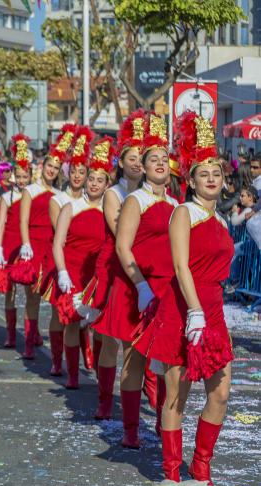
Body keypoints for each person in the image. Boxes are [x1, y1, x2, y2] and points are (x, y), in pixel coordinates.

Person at [140, 112, 233, 486]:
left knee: (221, 392)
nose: (211, 178)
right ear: (190, 181)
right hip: (183, 311)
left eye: (217, 172)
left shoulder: (224, 222)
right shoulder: (184, 213)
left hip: (214, 312)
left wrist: (208, 312)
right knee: (176, 394)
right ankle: (172, 470)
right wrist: (194, 312)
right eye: (203, 172)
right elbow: (180, 266)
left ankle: (202, 468)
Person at [94, 113, 178, 449]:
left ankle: (161, 421)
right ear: (141, 167)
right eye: (152, 159)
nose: (159, 163)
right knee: (134, 357)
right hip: (135, 287)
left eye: (164, 159)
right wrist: (141, 286)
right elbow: (122, 245)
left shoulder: (174, 204)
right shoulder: (134, 199)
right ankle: (131, 427)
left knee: (166, 358)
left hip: (166, 288)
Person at [89, 111, 147, 421]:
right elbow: (119, 231)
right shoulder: (114, 193)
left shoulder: (154, 193)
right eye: (133, 157)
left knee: (139, 342)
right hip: (117, 270)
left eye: (143, 157)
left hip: (146, 270)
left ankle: (139, 398)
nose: (138, 162)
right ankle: (105, 399)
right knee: (112, 340)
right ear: (121, 162)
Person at [51, 138, 109, 389]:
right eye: (91, 179)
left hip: (99, 276)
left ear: (107, 183)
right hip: (73, 274)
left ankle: (97, 369)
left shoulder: (112, 209)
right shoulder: (70, 207)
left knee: (99, 326)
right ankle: (73, 374)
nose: (94, 183)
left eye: (100, 180)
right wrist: (62, 273)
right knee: (72, 323)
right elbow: (58, 243)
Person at [17, 129, 69, 359]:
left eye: (56, 168)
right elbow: (23, 219)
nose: (52, 170)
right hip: (34, 246)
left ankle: (49, 341)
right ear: (43, 166)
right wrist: (25, 244)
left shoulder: (60, 194)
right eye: (50, 166)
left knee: (55, 298)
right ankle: (29, 340)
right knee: (32, 297)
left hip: (52, 247)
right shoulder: (30, 190)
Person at [0, 135, 32, 348]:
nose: (22, 179)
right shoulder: (6, 197)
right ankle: (11, 334)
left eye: (25, 176)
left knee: (29, 291)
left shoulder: (34, 196)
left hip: (27, 246)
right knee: (10, 291)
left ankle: (30, 333)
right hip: (9, 245)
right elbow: (0, 225)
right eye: (19, 175)